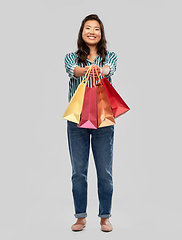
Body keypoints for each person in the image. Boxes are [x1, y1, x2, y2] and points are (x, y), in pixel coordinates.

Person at [64, 14, 118, 232]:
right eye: (88, 28)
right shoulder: (71, 57)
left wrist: (101, 69)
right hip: (77, 121)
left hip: (103, 121)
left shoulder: (109, 57)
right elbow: (72, 70)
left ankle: (105, 217)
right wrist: (87, 70)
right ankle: (80, 217)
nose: (92, 32)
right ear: (82, 32)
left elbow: (109, 69)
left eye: (96, 28)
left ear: (101, 33)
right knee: (79, 171)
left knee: (105, 171)